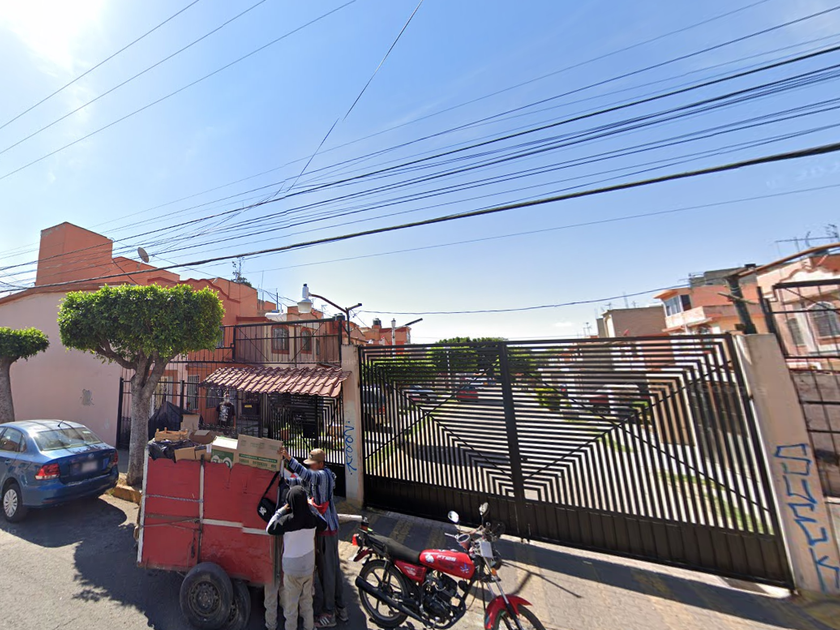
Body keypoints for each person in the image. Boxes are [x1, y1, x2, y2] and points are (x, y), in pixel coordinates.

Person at [280, 447, 347, 628]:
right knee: (333, 569)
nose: (310, 467)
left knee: (328, 572)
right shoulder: (320, 475)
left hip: (327, 530)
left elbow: (307, 476)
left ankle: (330, 613)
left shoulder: (323, 475)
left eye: (312, 464)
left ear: (321, 463)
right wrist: (284, 479)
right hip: (328, 528)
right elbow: (301, 481)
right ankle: (340, 607)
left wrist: (289, 459)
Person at [266, 486, 327, 630]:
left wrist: (281, 511)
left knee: (291, 607)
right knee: (307, 603)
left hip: (292, 569)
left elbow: (269, 528)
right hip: (308, 567)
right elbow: (324, 523)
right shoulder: (312, 519)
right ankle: (309, 627)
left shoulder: (287, 520)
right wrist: (311, 507)